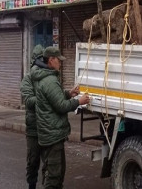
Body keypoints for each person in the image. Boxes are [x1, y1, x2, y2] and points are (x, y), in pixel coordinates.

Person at [33, 46, 90, 188]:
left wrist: (68, 93)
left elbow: (53, 97)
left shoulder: (45, 77)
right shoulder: (50, 81)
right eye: (59, 60)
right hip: (52, 135)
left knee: (54, 173)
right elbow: (61, 106)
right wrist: (79, 101)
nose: (61, 63)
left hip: (49, 134)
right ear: (51, 60)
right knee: (54, 176)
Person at [20, 44, 45, 189]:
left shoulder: (47, 77)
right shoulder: (28, 79)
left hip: (47, 127)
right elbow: (29, 101)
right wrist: (44, 98)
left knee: (49, 163)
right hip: (33, 128)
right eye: (40, 59)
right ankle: (32, 186)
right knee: (33, 160)